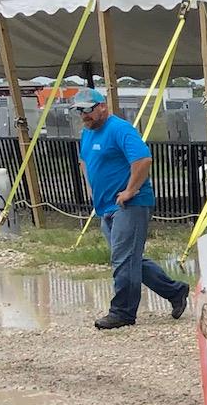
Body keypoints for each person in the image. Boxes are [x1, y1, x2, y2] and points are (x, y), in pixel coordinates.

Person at [74, 89, 190, 329]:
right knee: (130, 258)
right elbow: (85, 161)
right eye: (79, 110)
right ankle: (175, 291)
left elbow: (143, 159)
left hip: (129, 204)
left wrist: (130, 190)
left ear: (102, 107)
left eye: (87, 109)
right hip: (105, 205)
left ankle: (122, 312)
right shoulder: (87, 133)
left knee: (123, 259)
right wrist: (90, 189)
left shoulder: (120, 129)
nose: (84, 115)